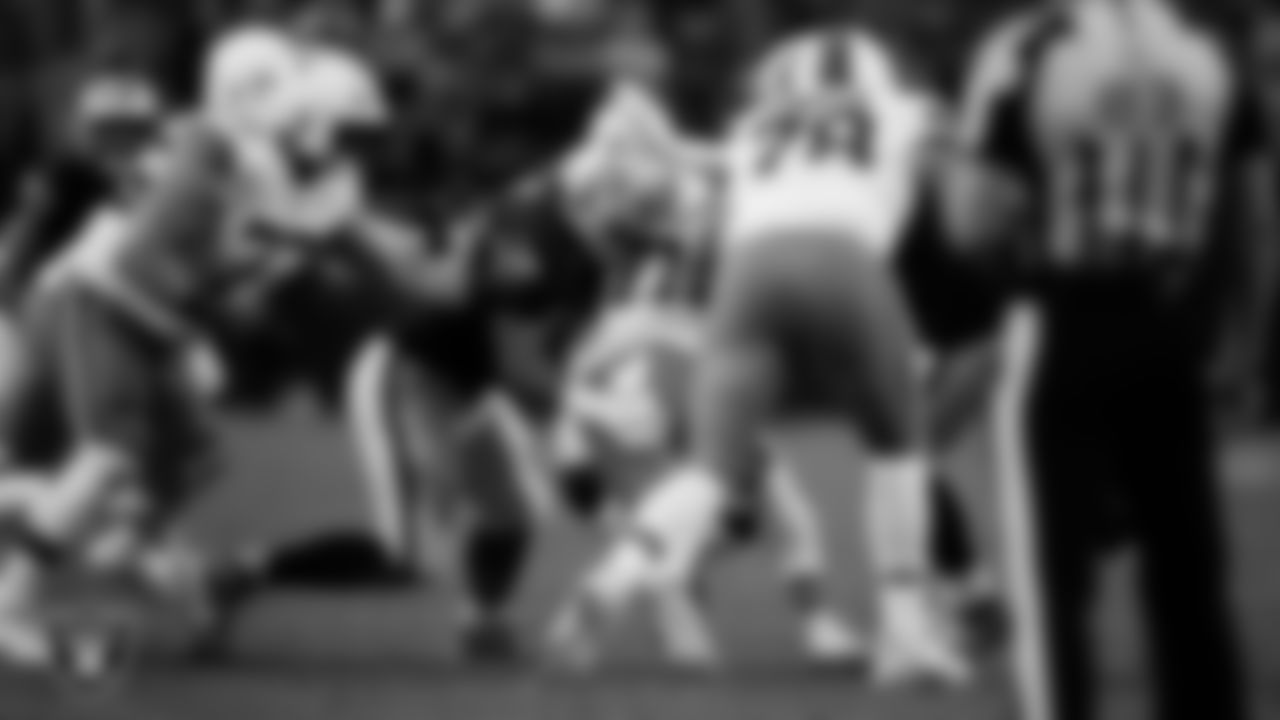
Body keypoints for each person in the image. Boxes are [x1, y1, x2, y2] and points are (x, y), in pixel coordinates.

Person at [563, 26, 971, 685]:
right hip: (847, 262)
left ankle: (615, 578)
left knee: (714, 469)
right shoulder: (903, 112)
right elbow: (972, 177)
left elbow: (690, 168)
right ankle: (905, 630)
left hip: (748, 276)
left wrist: (637, 137)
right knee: (899, 449)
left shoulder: (755, 125)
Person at [927, 0, 1272, 718]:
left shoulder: (1032, 47)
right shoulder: (1203, 51)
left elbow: (972, 216)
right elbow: (1251, 213)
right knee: (1187, 573)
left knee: (1051, 574)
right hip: (1173, 325)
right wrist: (1242, 340)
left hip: (1062, 319)